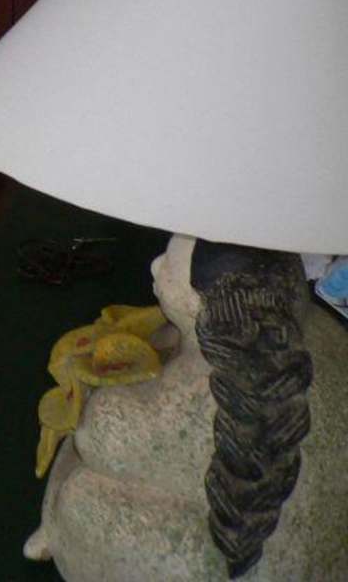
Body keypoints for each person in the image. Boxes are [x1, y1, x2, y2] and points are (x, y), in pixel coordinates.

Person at [24, 234, 348, 580]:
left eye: (168, 265)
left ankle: (61, 535)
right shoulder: (323, 332)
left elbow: (99, 437)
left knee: (79, 493)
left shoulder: (202, 387)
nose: (156, 266)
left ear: (201, 303)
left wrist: (98, 395)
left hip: (225, 565)